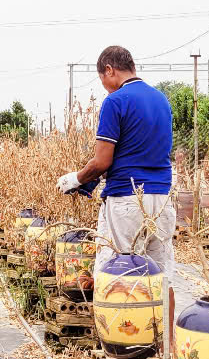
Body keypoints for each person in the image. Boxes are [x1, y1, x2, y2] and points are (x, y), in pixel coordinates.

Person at [56, 45, 176, 305]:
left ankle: (116, 340)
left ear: (109, 69)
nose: (105, 87)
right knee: (160, 275)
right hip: (163, 198)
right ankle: (163, 341)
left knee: (117, 271)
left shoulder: (116, 101)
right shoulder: (161, 99)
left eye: (102, 80)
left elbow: (101, 162)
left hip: (127, 199)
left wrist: (75, 179)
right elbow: (141, 150)